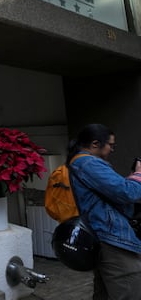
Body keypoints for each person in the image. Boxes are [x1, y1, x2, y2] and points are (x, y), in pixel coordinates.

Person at [67, 123, 141, 299]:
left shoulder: (82, 163)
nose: (112, 150)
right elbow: (127, 192)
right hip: (112, 238)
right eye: (111, 145)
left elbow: (115, 193)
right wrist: (139, 174)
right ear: (95, 144)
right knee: (129, 289)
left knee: (105, 293)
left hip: (103, 235)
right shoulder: (87, 162)